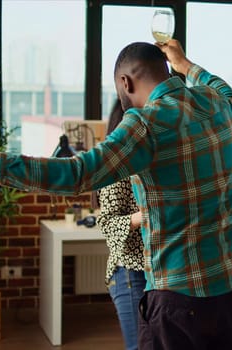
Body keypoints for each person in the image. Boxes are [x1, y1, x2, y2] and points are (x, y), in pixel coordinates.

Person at [0, 40, 232, 350]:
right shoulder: (215, 104)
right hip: (229, 295)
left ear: (124, 83)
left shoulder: (145, 123)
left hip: (178, 299)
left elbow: (77, 174)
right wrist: (185, 65)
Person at [97, 100, 145, 350]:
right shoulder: (115, 165)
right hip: (129, 273)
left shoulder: (150, 159)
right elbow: (107, 225)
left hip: (157, 272)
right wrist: (143, 216)